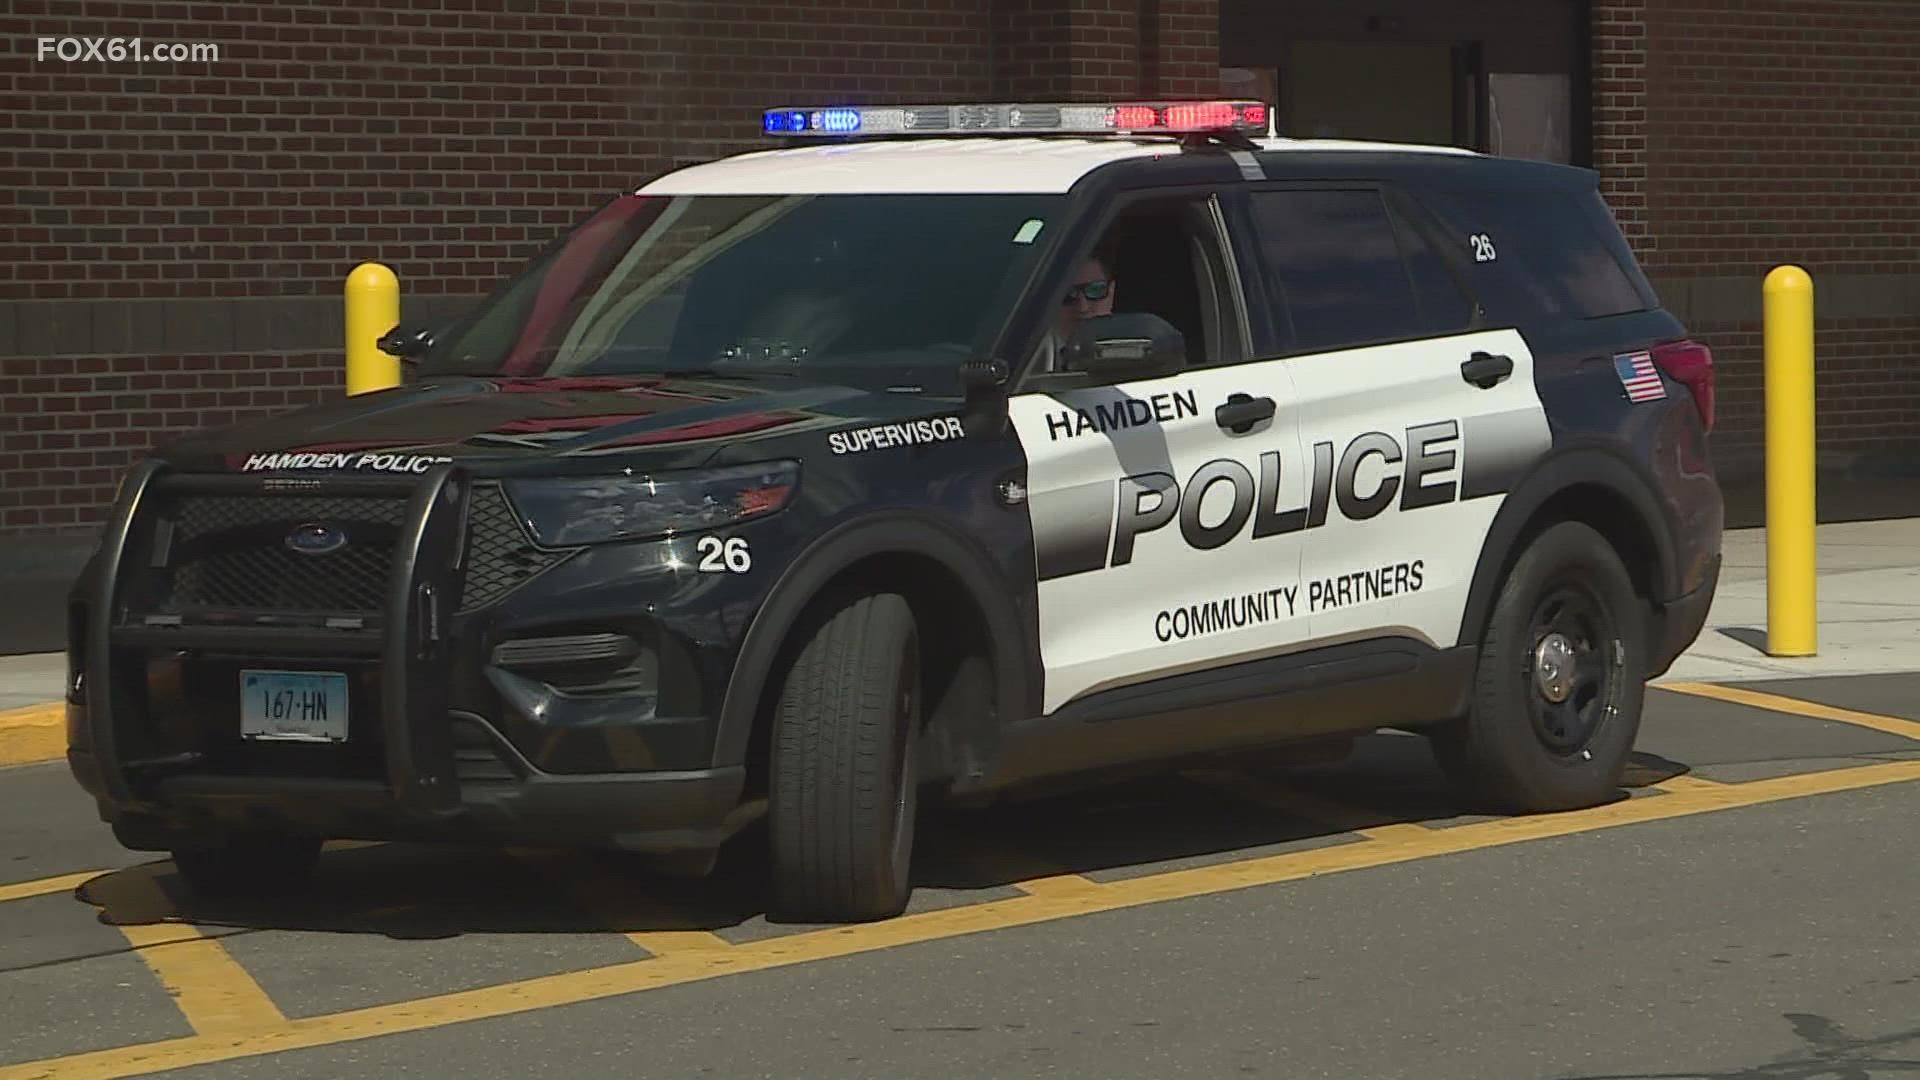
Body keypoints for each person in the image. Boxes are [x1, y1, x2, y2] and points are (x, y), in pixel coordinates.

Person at [1029, 249, 1116, 374]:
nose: (1083, 307)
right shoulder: (1025, 362)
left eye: (1095, 289)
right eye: (1067, 295)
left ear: (1112, 291)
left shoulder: (1139, 348)